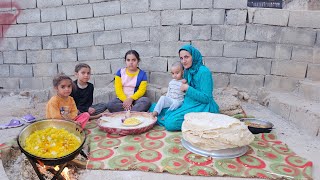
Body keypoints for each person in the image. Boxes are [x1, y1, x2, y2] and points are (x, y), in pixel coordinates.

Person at [150, 44, 219, 131]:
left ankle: (169, 119)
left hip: (201, 105)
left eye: (186, 57)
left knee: (170, 123)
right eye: (181, 58)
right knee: (153, 107)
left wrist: (188, 89)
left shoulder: (204, 72)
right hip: (187, 102)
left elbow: (207, 98)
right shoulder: (187, 71)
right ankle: (168, 117)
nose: (183, 61)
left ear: (193, 57)